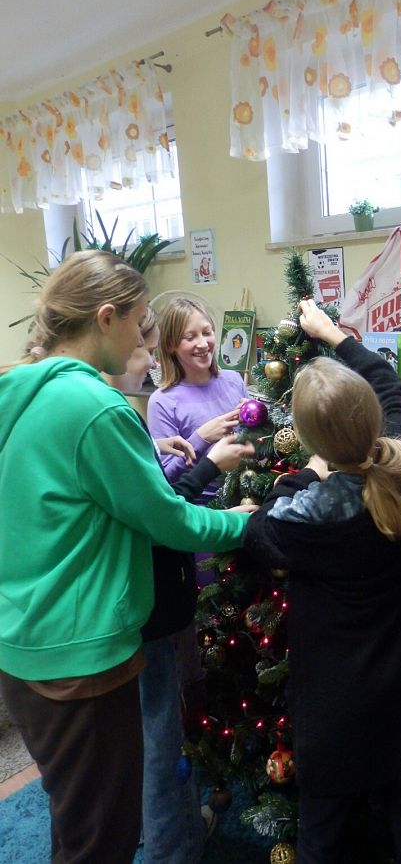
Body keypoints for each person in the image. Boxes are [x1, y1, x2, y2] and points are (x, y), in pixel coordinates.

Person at [0, 250, 255, 864]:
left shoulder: (19, 390)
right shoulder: (97, 407)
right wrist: (243, 522)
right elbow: (168, 520)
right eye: (141, 326)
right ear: (106, 318)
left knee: (77, 820)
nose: (145, 340)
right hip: (80, 655)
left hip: (23, 641)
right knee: (103, 839)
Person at [243, 299, 401, 864]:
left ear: (310, 439)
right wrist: (336, 337)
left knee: (322, 836)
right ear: (372, 420)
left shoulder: (304, 516)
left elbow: (259, 531)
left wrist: (303, 474)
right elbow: (394, 391)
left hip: (337, 711)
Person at [103, 306, 255, 864]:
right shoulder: (139, 407)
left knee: (165, 716)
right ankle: (174, 837)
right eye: (146, 346)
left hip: (173, 578)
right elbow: (166, 505)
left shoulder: (231, 383)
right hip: (172, 579)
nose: (202, 343)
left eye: (207, 332)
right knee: (165, 722)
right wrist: (203, 449)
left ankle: (164, 821)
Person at [147, 296, 248, 501]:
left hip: (246, 494)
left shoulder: (234, 380)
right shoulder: (162, 402)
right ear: (171, 345)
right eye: (190, 337)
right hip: (202, 508)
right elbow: (167, 479)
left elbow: (254, 444)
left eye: (207, 333)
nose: (202, 344)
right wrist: (200, 439)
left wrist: (258, 421)